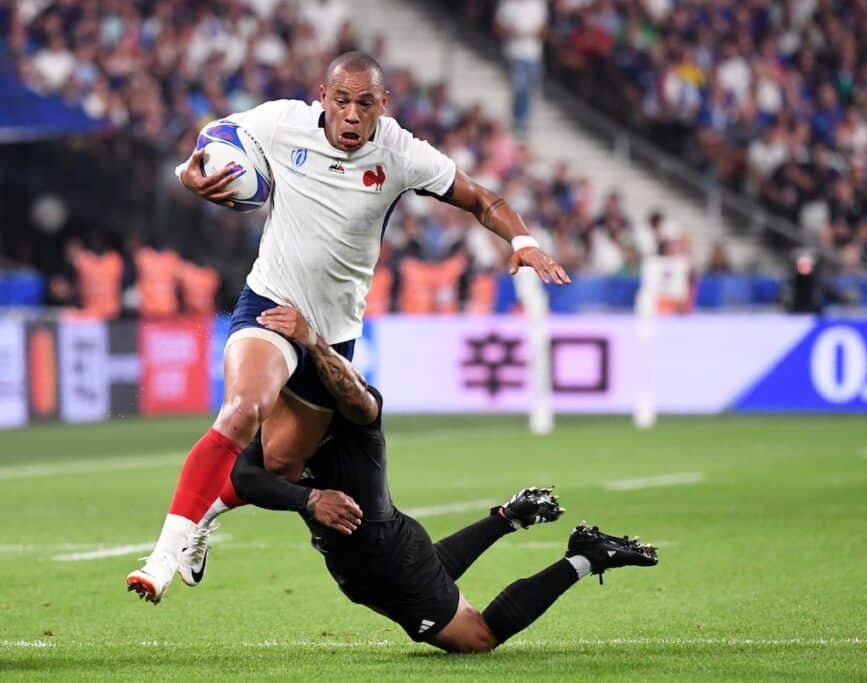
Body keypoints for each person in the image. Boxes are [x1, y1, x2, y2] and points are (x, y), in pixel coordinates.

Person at [127, 51, 571, 604]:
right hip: (271, 302)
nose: (352, 115)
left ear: (383, 105)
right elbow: (214, 138)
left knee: (280, 467)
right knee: (242, 410)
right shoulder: (281, 122)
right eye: (341, 101)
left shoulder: (402, 153)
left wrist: (523, 241)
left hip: (331, 335)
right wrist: (188, 175)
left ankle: (205, 516)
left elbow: (483, 199)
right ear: (323, 97)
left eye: (365, 104)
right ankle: (165, 554)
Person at [227, 305, 659, 652]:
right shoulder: (280, 419)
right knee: (429, 572)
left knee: (479, 638)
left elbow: (355, 395)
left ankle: (586, 557)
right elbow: (244, 477)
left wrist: (314, 341)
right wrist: (309, 500)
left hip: (385, 559)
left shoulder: (357, 412)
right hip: (378, 556)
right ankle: (508, 518)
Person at [495, 0, 548, 133]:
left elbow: (543, 29)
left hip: (533, 55)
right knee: (520, 86)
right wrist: (512, 32)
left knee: (529, 89)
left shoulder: (537, 5)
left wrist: (529, 33)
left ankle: (524, 119)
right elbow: (498, 26)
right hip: (515, 53)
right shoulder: (507, 4)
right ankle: (518, 119)